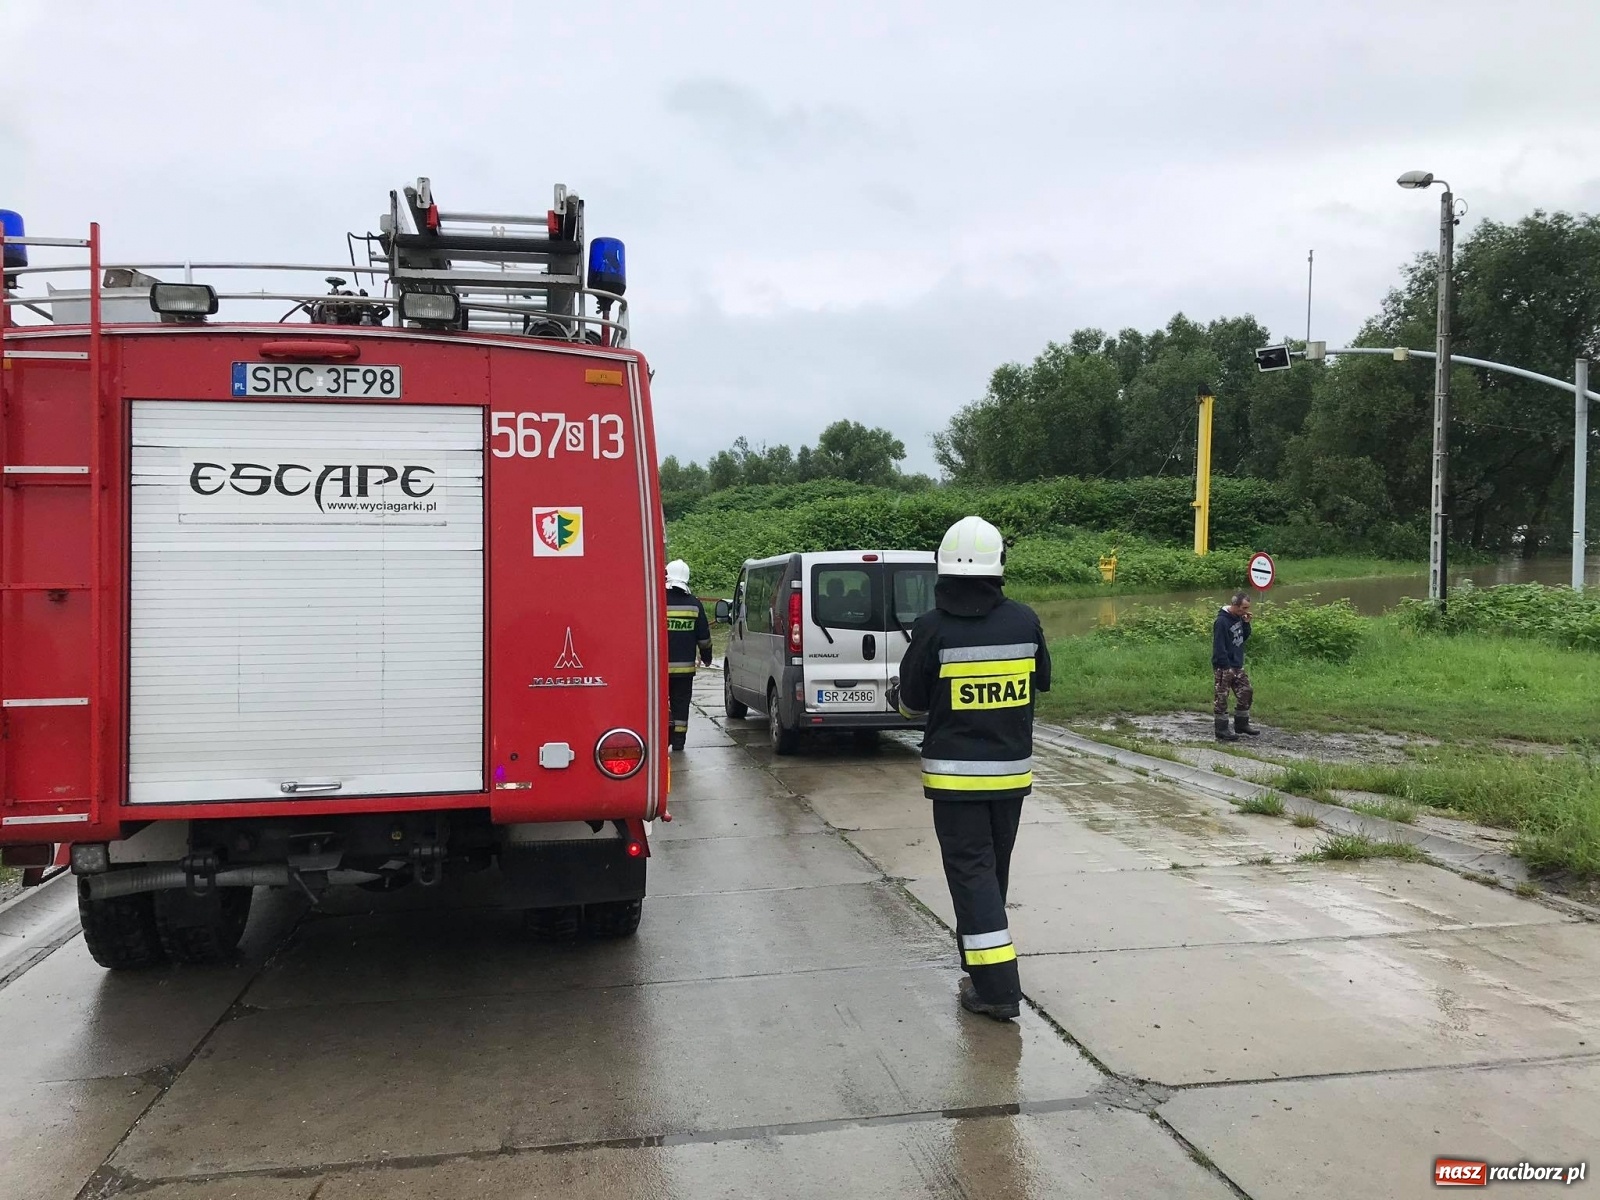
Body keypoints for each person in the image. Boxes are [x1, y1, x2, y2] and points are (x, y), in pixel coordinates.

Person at [890, 516, 1051, 1022]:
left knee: (972, 876)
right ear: (998, 567)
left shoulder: (933, 629)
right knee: (991, 873)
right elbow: (1042, 680)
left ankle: (997, 988)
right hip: (1010, 778)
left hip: (955, 780)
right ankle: (981, 963)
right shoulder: (1024, 621)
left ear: (943, 573)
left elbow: (912, 703)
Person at [664, 559, 712, 751]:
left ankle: (660, 736)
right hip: (684, 670)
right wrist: (707, 657)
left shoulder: (658, 601)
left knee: (657, 704)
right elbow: (704, 638)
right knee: (681, 704)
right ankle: (678, 742)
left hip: (658, 670)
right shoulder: (694, 605)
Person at [1212, 591, 1259, 741]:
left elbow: (1242, 638)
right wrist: (1225, 666)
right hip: (1224, 665)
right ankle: (1221, 729)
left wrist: (1246, 624)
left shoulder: (1238, 618)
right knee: (1222, 697)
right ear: (1235, 605)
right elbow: (1219, 645)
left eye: (1247, 608)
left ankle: (1241, 724)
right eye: (1243, 608)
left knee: (1246, 691)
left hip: (1237, 663)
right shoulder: (1221, 621)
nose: (1245, 611)